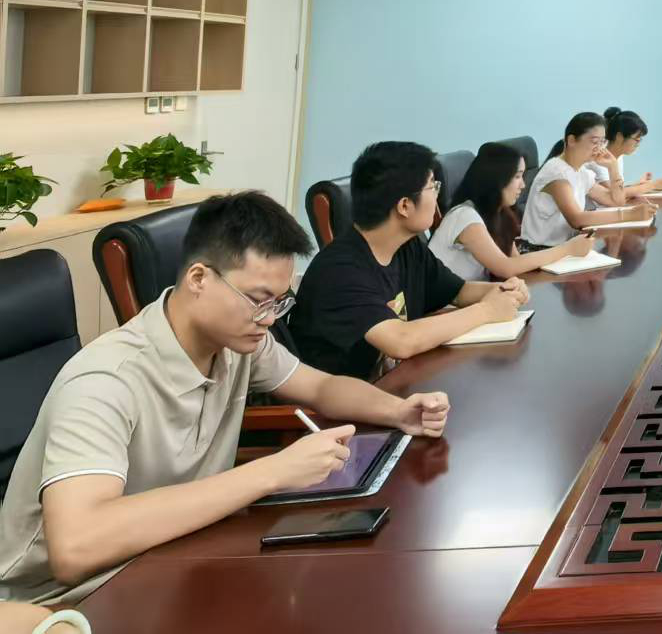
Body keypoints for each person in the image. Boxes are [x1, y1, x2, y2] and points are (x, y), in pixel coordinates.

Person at [0, 192, 453, 605]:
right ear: (199, 278)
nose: (269, 319)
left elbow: (319, 387)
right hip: (64, 601)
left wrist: (398, 410)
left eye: (279, 303)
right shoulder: (105, 381)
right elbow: (76, 547)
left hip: (171, 557)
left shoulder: (238, 344)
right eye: (259, 300)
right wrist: (273, 471)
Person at [289, 141, 529, 379]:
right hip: (339, 399)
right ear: (404, 205)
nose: (437, 194)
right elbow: (401, 340)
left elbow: (459, 291)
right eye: (432, 186)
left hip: (394, 382)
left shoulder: (407, 246)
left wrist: (503, 290)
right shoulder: (340, 270)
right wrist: (487, 310)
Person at [429, 142, 595, 280]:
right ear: (496, 178)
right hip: (444, 305)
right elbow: (506, 267)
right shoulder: (464, 216)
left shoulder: (500, 214)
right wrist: (568, 249)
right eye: (517, 176)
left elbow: (516, 261)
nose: (523, 185)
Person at [522, 113, 653, 249]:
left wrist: (613, 167)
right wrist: (630, 214)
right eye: (595, 142)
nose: (599, 148)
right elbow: (577, 219)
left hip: (564, 248)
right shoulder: (556, 173)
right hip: (538, 251)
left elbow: (616, 201)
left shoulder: (581, 172)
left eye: (602, 142)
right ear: (572, 140)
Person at [589, 108, 662, 205]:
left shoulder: (618, 156)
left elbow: (619, 190)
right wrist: (652, 186)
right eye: (637, 139)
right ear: (619, 137)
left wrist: (638, 185)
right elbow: (613, 195)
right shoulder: (599, 158)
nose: (638, 144)